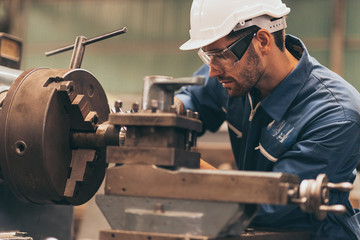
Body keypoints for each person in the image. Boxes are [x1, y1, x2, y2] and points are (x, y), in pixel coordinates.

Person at [175, 0, 360, 239]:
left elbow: (271, 206)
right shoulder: (234, 73)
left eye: (220, 55)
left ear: (262, 41)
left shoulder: (335, 115)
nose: (213, 70)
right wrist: (166, 114)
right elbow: (194, 97)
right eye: (208, 56)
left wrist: (185, 164)